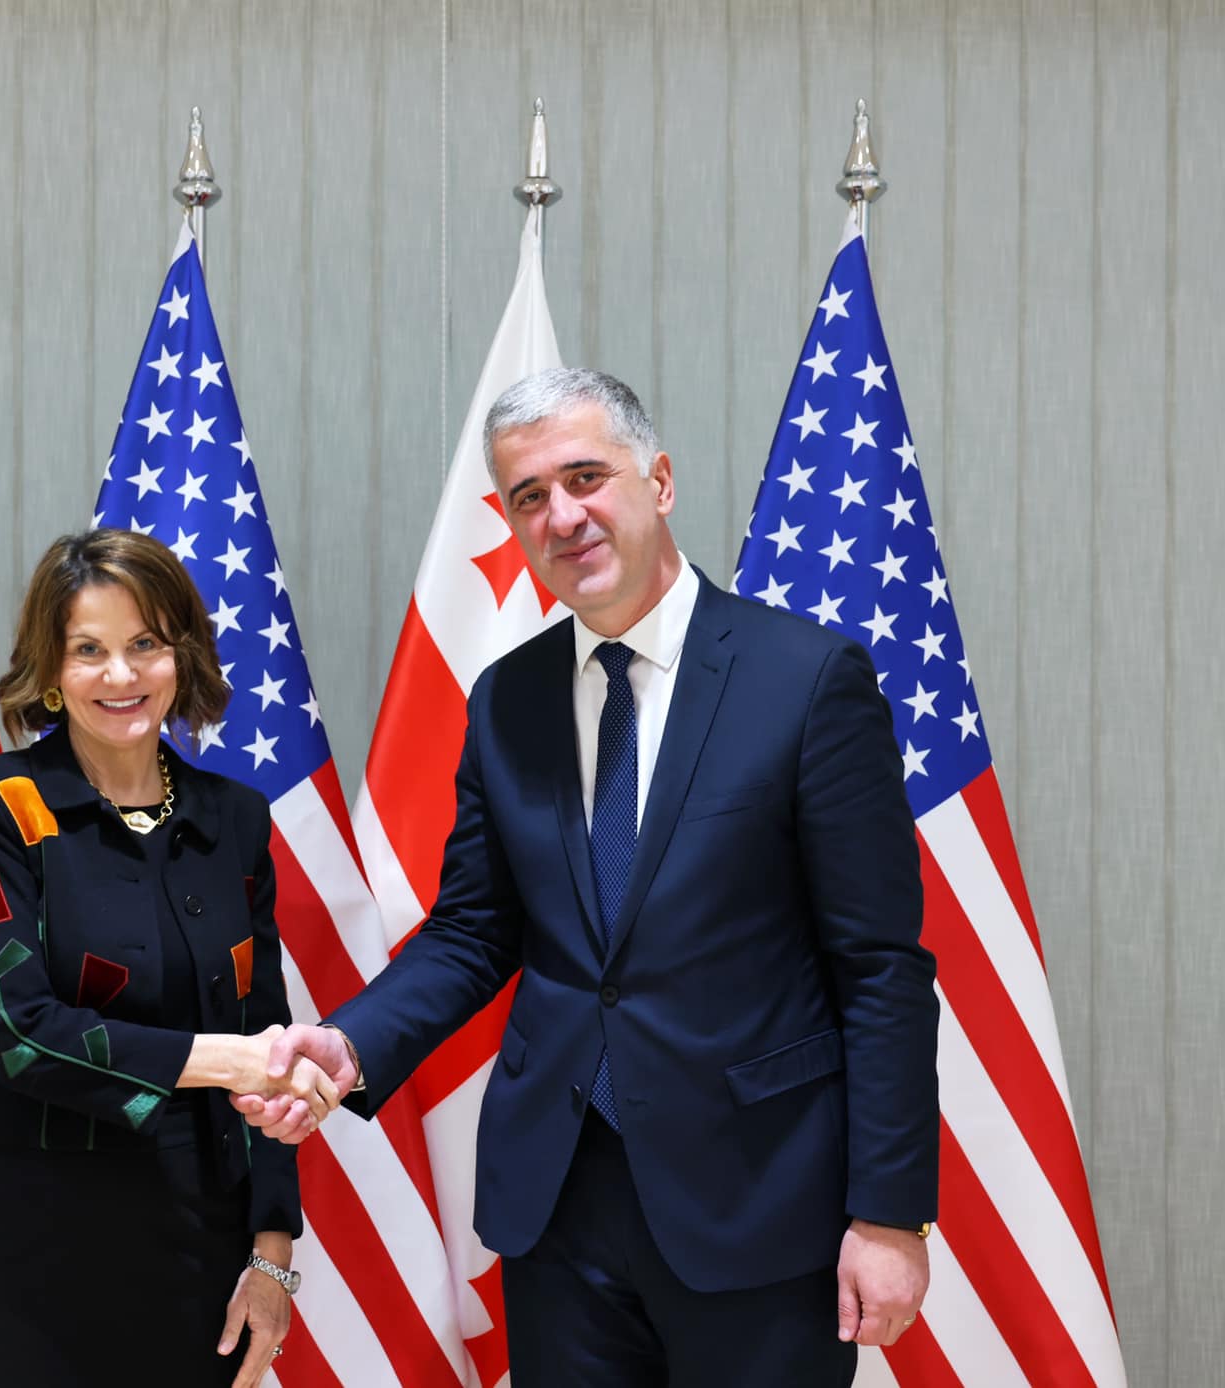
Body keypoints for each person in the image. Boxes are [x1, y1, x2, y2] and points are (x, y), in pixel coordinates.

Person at [237, 369, 940, 1385]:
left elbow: (879, 968)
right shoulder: (506, 698)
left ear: (658, 481)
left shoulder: (805, 680)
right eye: (529, 496)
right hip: (558, 1205)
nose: (561, 516)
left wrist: (888, 1212)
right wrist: (349, 1042)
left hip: (757, 1201)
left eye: (584, 477)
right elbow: (474, 930)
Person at [0, 528, 332, 1388]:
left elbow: (266, 1036)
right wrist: (224, 1060)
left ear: (180, 656)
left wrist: (271, 1256)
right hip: (34, 1250)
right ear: (51, 670)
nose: (121, 675)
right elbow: (18, 1033)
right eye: (89, 650)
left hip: (204, 1245)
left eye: (145, 643)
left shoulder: (236, 818)